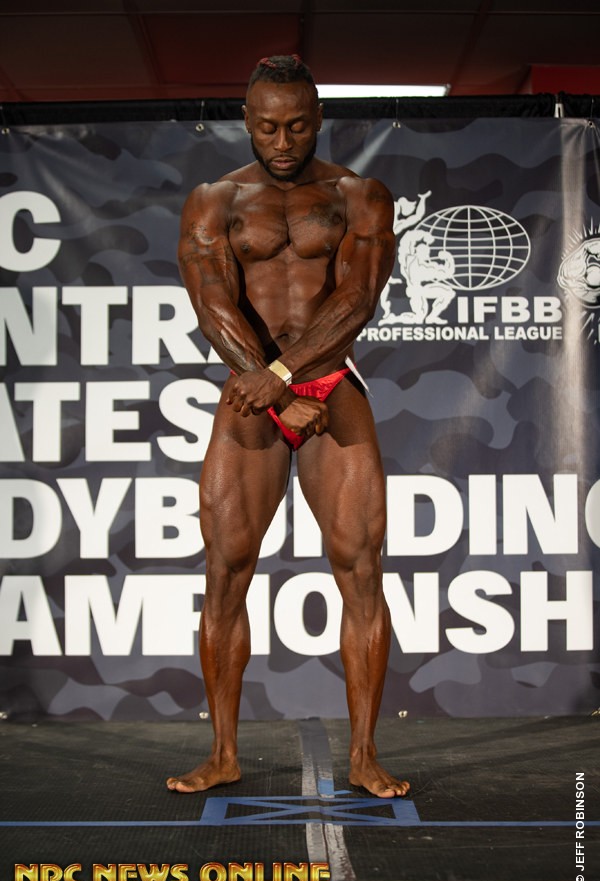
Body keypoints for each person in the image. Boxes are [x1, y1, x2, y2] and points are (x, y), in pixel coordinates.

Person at [166, 54, 410, 800]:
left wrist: (281, 377)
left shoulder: (358, 195)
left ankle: (363, 755)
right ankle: (222, 753)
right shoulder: (215, 201)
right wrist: (271, 393)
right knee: (226, 572)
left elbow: (357, 298)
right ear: (247, 120)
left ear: (319, 119)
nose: (282, 141)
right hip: (252, 394)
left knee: (361, 571)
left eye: (298, 126)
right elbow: (213, 304)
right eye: (268, 126)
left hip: (329, 386)